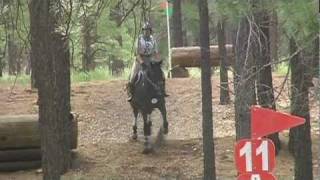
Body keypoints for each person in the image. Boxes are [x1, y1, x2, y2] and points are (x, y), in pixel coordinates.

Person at [127, 21, 168, 102]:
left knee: (161, 75)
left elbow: (155, 53)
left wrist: (158, 61)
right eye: (145, 30)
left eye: (148, 30)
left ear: (150, 31)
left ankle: (162, 91)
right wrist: (142, 62)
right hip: (139, 60)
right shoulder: (139, 39)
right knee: (133, 77)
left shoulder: (153, 39)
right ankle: (131, 94)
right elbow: (137, 53)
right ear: (143, 31)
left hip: (150, 60)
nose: (147, 31)